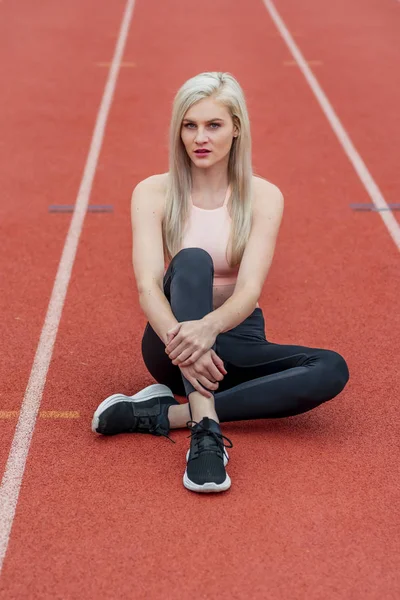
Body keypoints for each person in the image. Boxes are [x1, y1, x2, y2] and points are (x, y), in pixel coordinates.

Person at [91, 71, 350, 494]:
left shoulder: (264, 197)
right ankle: (206, 437)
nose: (200, 137)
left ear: (236, 128)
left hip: (233, 341)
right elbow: (147, 286)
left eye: (213, 125)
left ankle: (166, 414)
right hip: (170, 344)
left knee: (331, 368)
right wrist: (185, 340)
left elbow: (248, 292)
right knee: (192, 261)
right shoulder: (153, 192)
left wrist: (209, 329)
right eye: (190, 125)